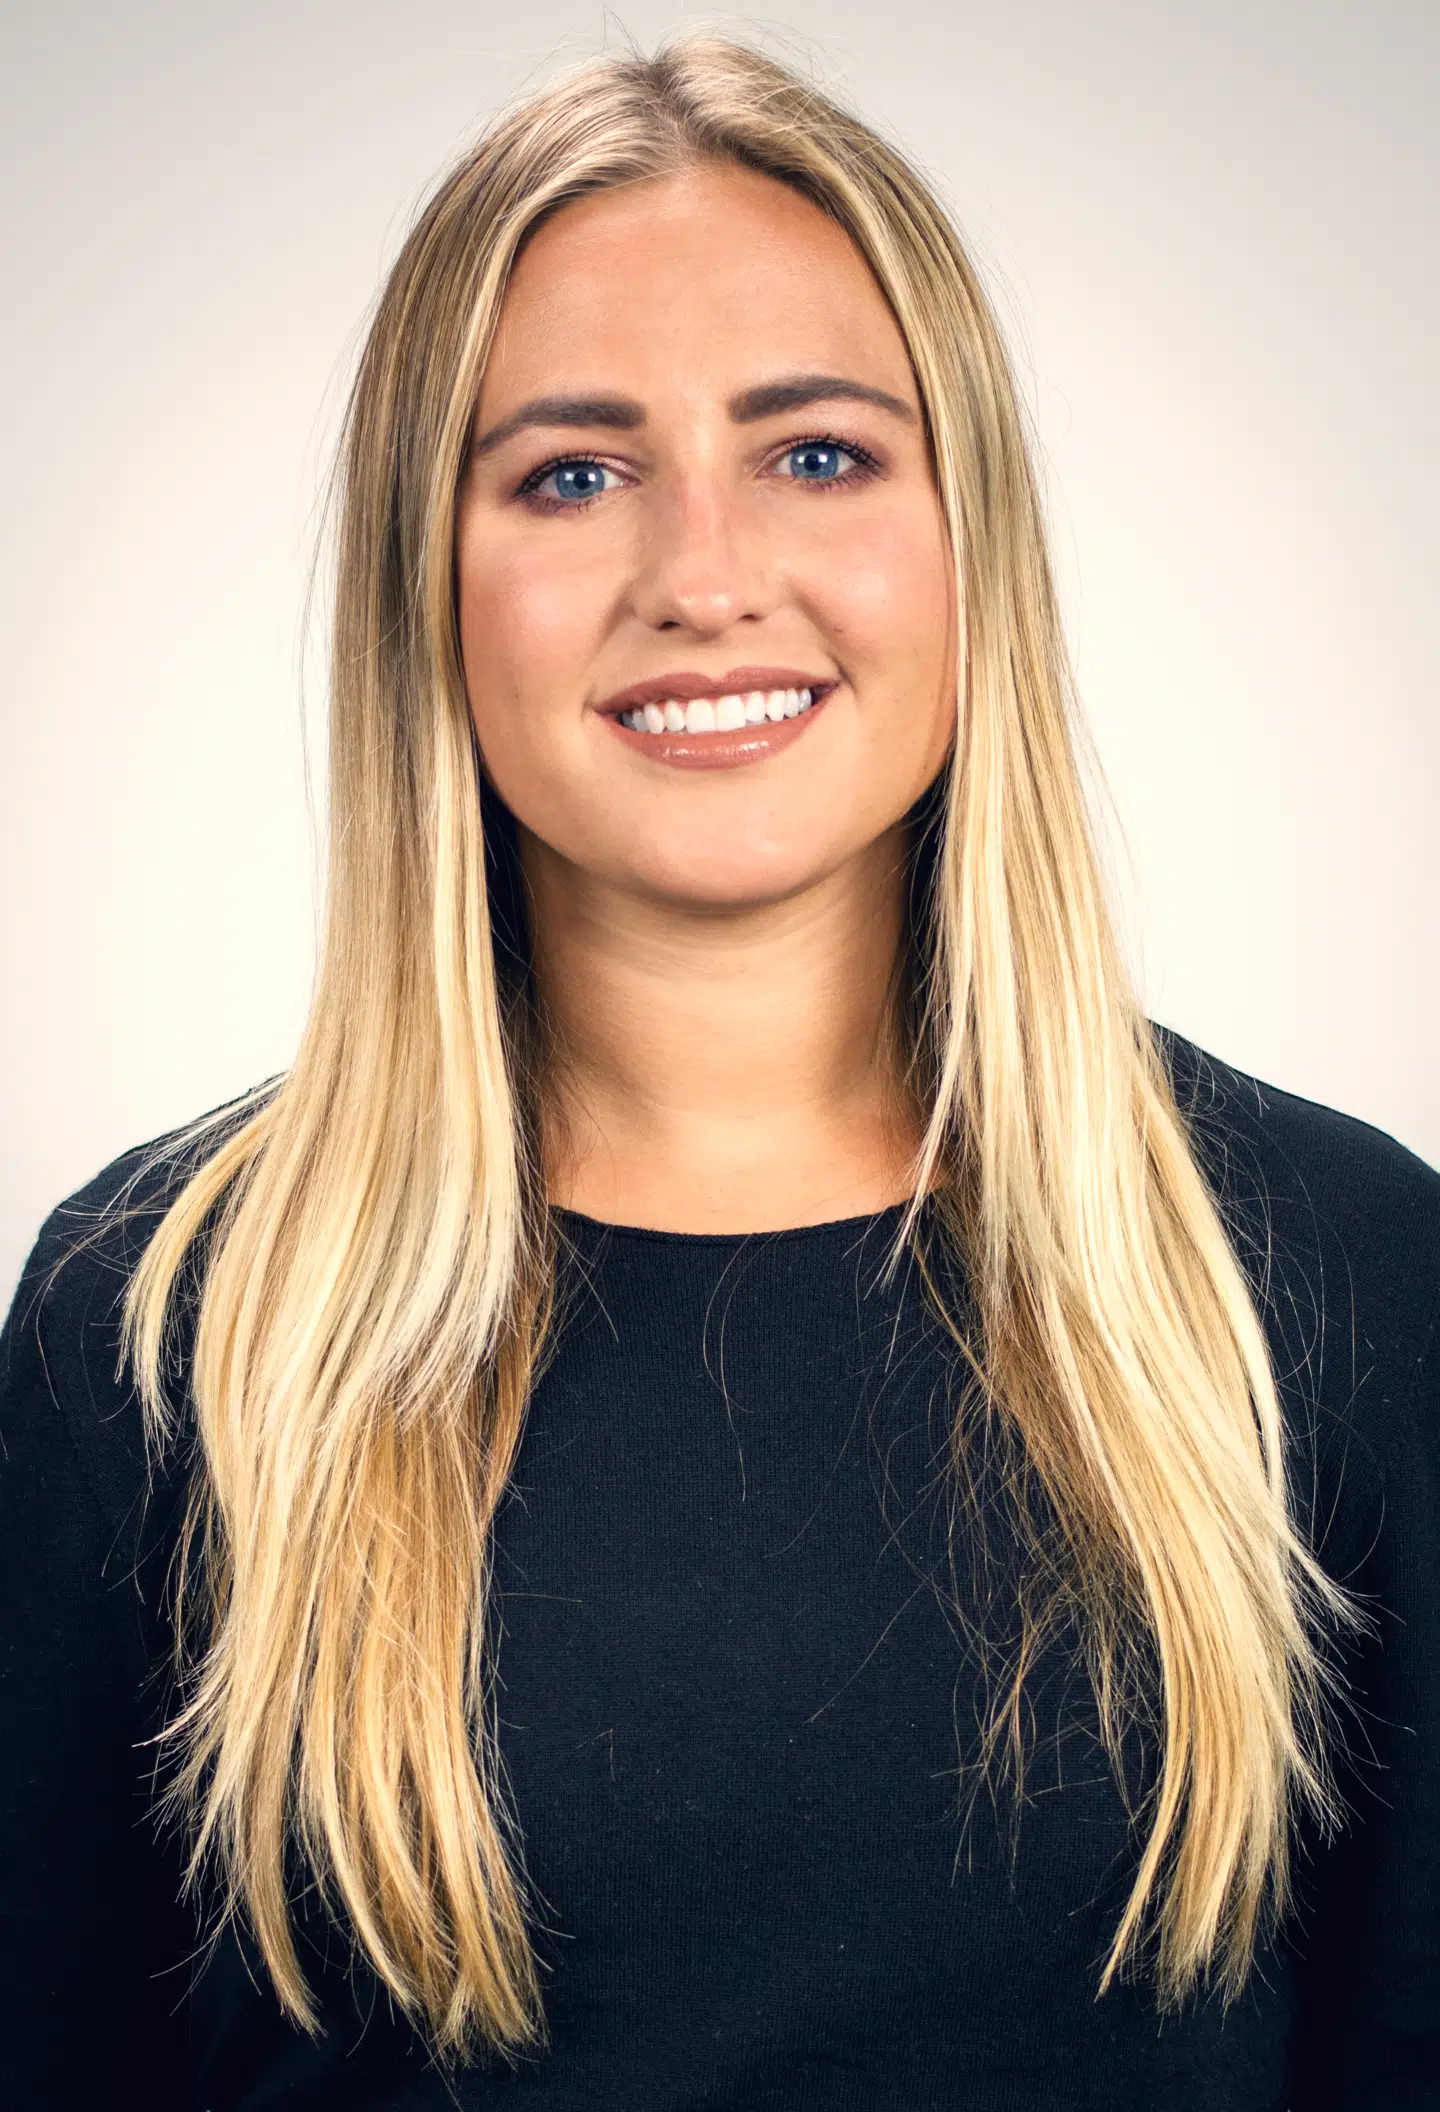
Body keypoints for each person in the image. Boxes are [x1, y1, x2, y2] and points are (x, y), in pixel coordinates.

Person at [1, 35, 1435, 2111]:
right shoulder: (160, 1325)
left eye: (818, 454)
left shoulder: (1340, 1279)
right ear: (430, 582)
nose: (702, 577)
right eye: (573, 475)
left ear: (971, 536)